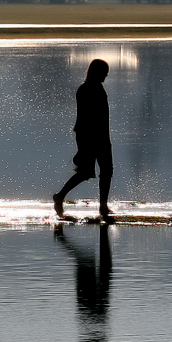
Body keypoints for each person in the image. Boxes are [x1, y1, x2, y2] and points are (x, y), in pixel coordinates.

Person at [53, 59, 114, 221]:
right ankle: (59, 196)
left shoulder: (98, 88)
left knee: (107, 170)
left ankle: (103, 205)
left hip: (102, 136)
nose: (106, 75)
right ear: (96, 72)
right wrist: (84, 146)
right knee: (85, 172)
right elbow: (85, 118)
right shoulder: (85, 89)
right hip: (88, 136)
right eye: (103, 72)